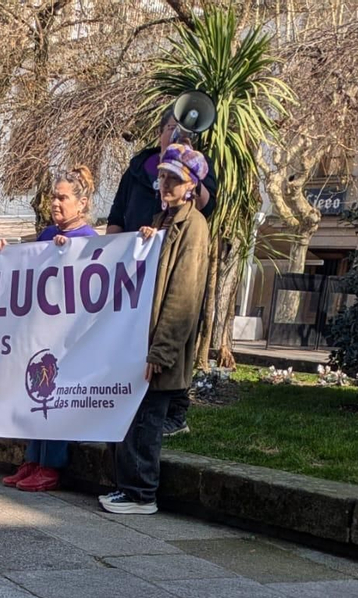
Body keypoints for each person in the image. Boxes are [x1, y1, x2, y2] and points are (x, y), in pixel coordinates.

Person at [101, 145, 210, 516]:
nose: (164, 184)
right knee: (135, 415)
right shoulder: (165, 220)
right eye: (163, 176)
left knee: (147, 420)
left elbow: (183, 294)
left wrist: (161, 351)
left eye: (174, 179)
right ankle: (129, 488)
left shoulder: (193, 228)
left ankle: (141, 493)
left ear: (191, 186)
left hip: (159, 347)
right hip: (142, 340)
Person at [0, 165, 100, 493]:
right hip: (39, 332)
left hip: (69, 336)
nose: (55, 203)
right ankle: (33, 458)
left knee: (55, 398)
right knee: (34, 394)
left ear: (81, 204)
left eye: (62, 197)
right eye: (52, 197)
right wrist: (2, 254)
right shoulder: (45, 237)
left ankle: (51, 465)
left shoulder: (89, 241)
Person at [105, 103, 220, 235]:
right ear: (161, 134)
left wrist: (190, 169)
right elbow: (116, 216)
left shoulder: (200, 165)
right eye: (172, 128)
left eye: (184, 130)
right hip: (132, 250)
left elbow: (206, 208)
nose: (178, 133)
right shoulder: (138, 166)